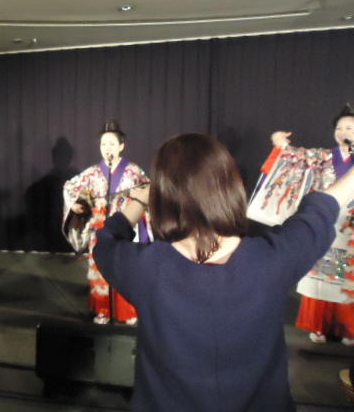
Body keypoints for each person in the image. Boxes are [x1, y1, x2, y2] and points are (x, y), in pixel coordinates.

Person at [94, 133, 354, 411]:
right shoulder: (275, 257)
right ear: (231, 186)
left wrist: (140, 202)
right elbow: (321, 208)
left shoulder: (143, 268)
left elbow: (106, 240)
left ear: (163, 196)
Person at [264, 105, 354, 345]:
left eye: (349, 128)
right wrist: (281, 144)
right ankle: (320, 325)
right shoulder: (324, 157)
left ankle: (348, 328)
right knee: (324, 274)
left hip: (352, 225)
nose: (343, 132)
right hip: (329, 218)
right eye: (339, 128)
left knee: (347, 276)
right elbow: (298, 158)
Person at [62, 120, 150, 325]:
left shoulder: (133, 172)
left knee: (125, 269)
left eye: (111, 143)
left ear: (121, 146)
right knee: (100, 269)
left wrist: (139, 198)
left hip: (125, 227)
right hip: (100, 228)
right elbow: (69, 187)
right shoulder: (93, 172)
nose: (107, 148)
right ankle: (103, 311)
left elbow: (149, 190)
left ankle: (128, 311)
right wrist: (75, 205)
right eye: (103, 144)